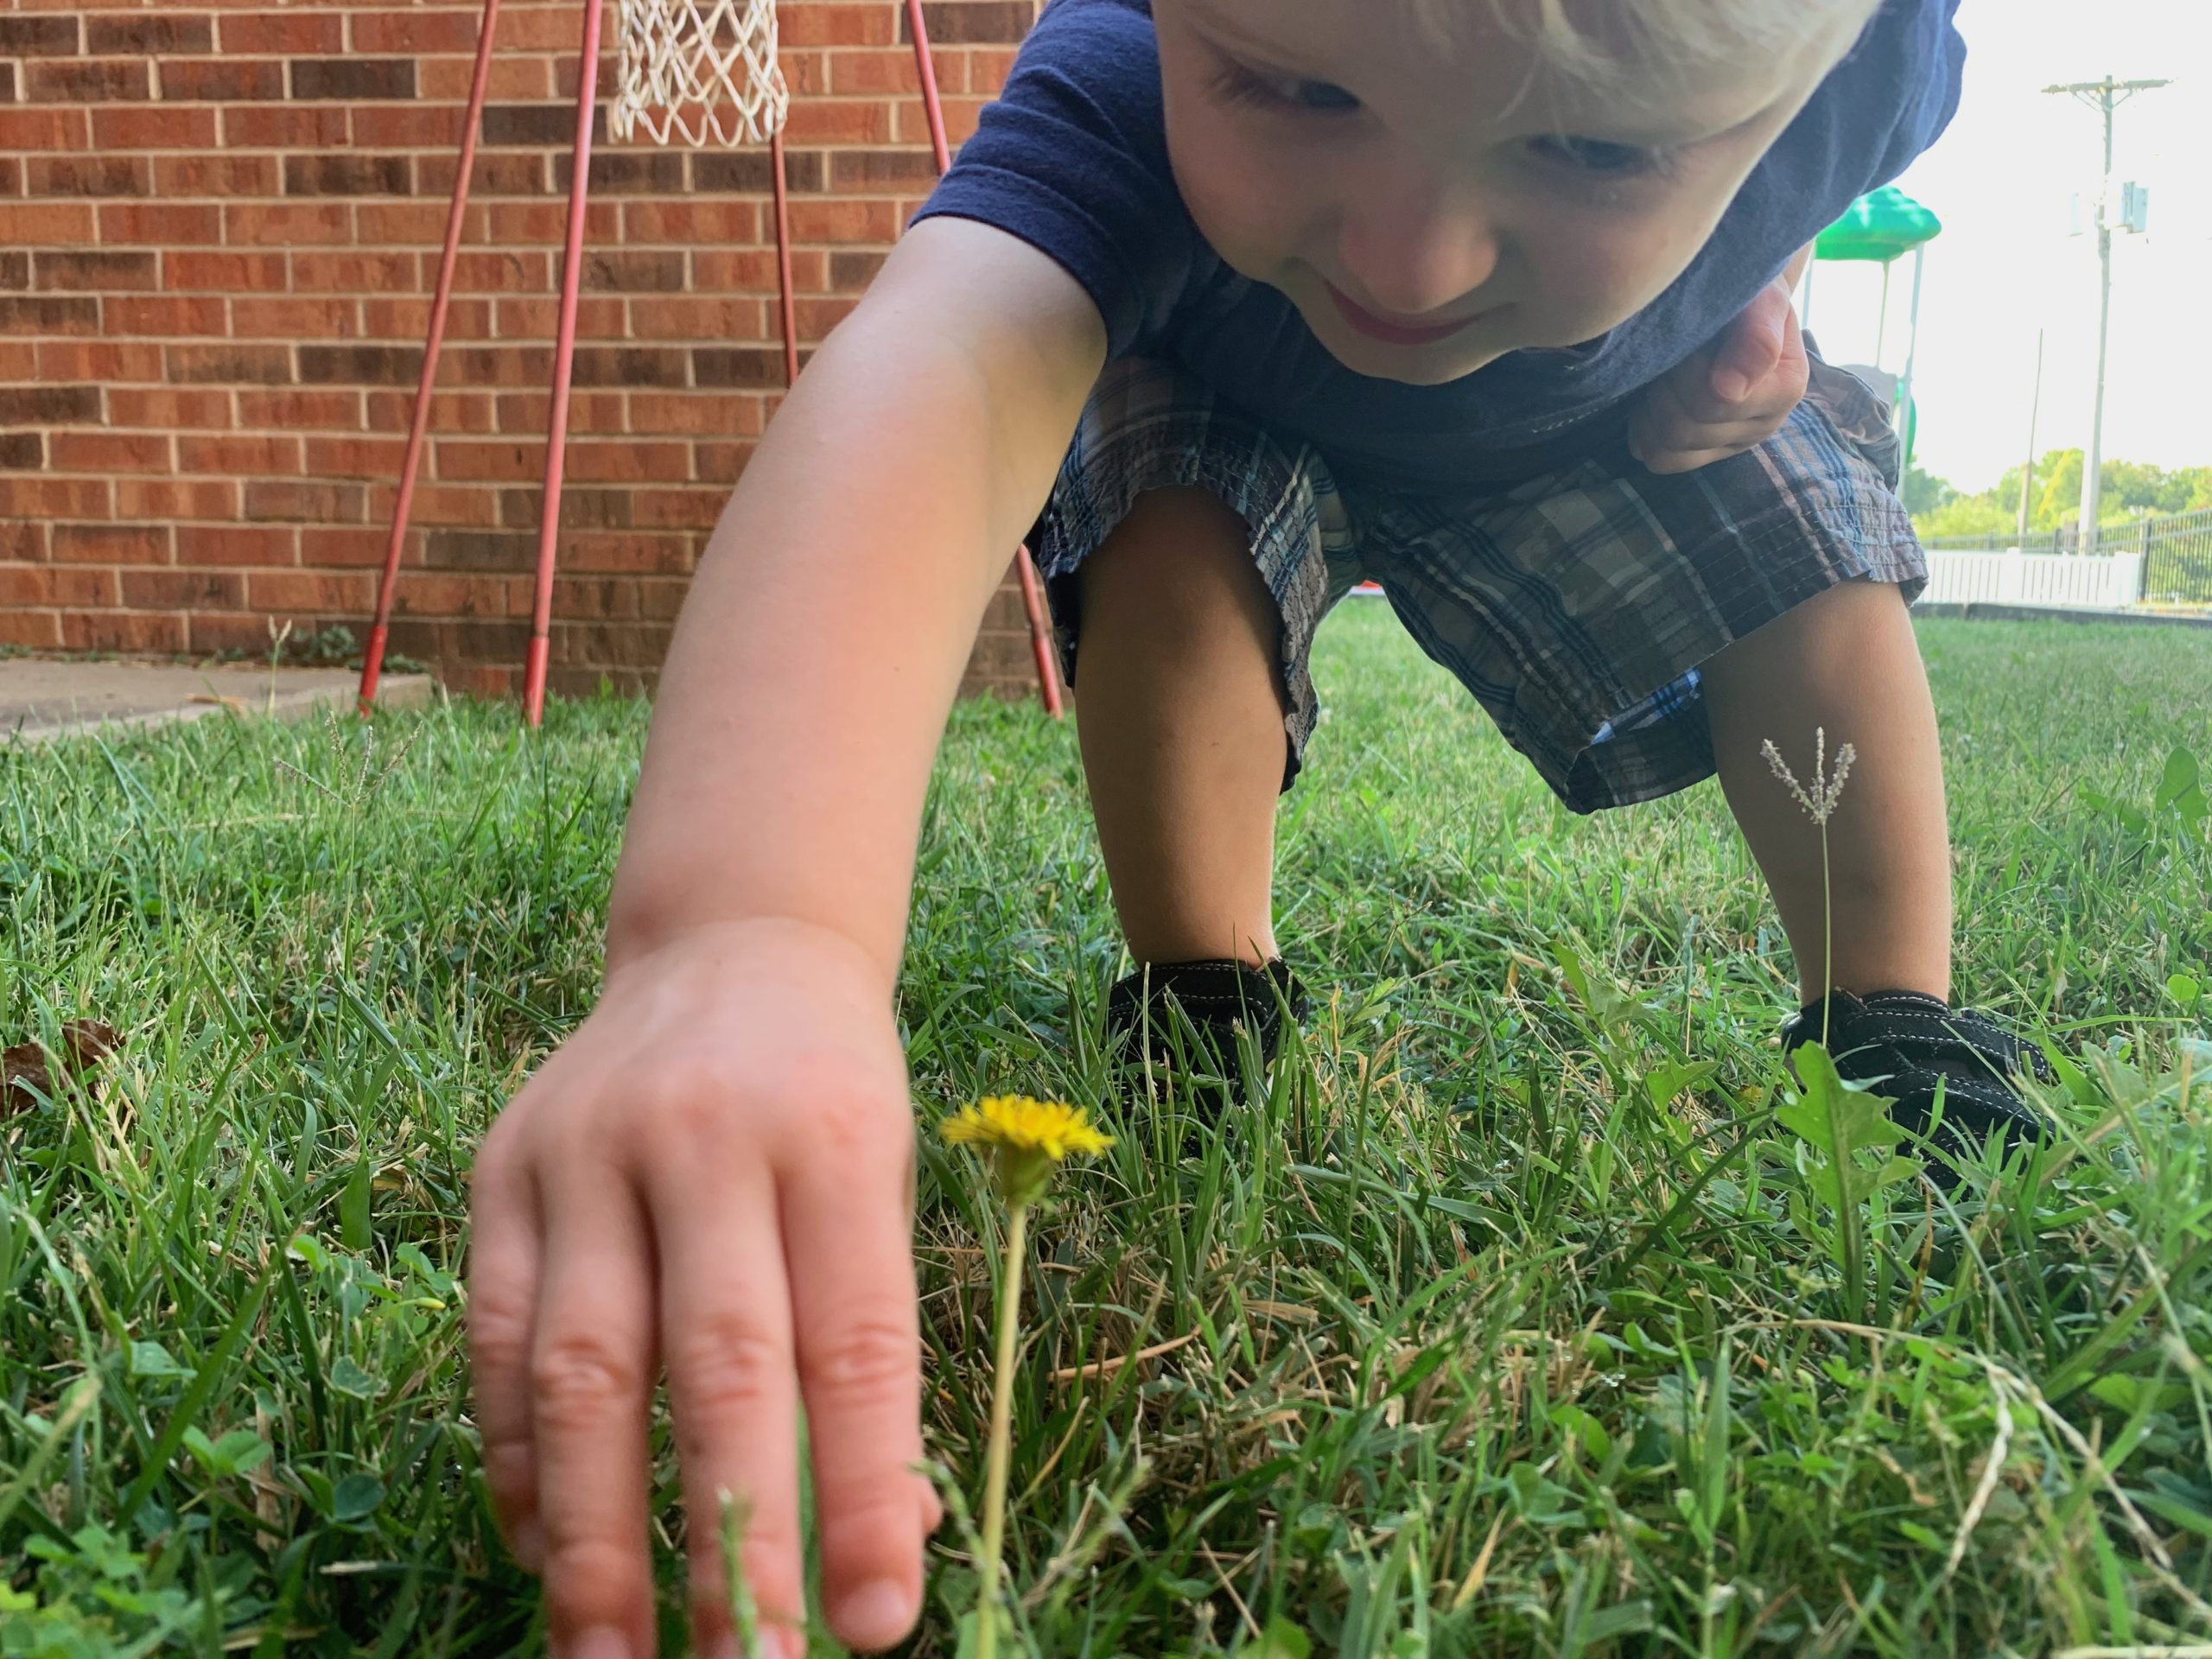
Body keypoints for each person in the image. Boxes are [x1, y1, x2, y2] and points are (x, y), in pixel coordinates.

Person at [466, 1, 2048, 1653]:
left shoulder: (1879, 60)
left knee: (1800, 522)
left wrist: (1760, 287)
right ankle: (1204, 991)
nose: (1410, 259)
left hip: (1616, 407)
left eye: (1596, 146)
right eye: (1295, 89)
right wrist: (750, 928)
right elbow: (944, 369)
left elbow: (1811, 162)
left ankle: (1889, 1022)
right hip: (1234, 380)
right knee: (1168, 525)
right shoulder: (1126, 84)